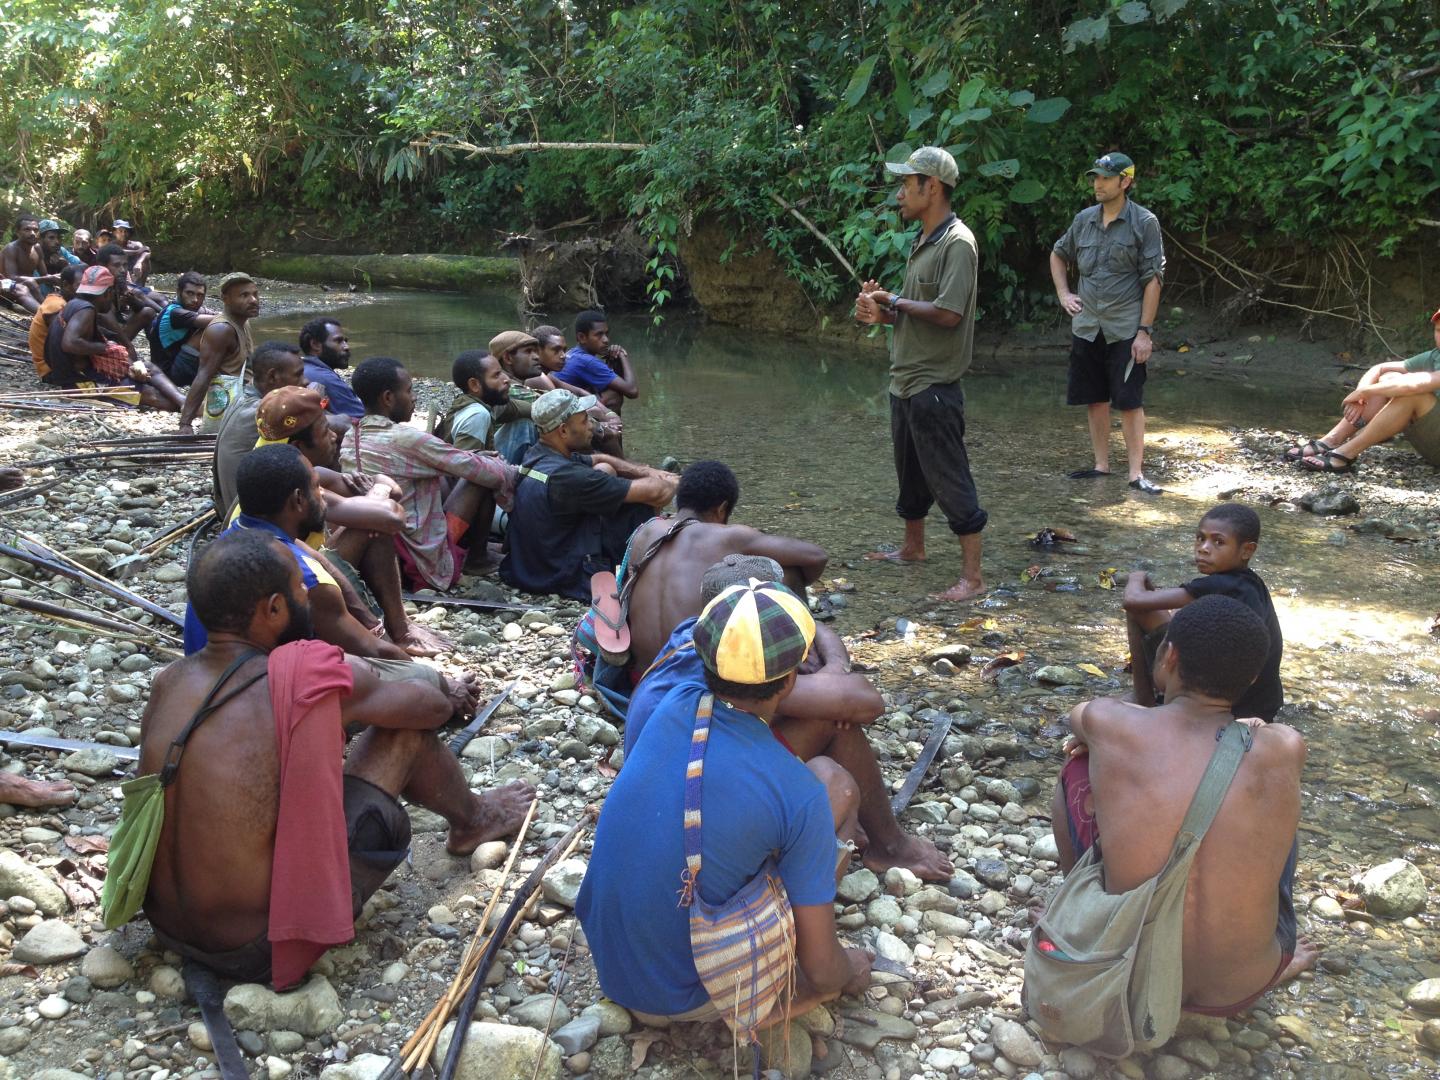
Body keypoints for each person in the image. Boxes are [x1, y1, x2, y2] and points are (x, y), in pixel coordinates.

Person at [141, 529, 533, 987]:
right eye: (297, 586)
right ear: (272, 609)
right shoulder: (306, 672)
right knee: (404, 736)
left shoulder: (169, 682)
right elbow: (432, 709)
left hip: (169, 929)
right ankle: (474, 818)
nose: (307, 593)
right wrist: (356, 688)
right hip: (257, 947)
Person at [578, 579, 872, 1025]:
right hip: (684, 1000)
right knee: (838, 785)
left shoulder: (673, 700)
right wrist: (847, 972)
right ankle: (774, 1002)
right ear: (791, 679)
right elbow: (824, 970)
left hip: (613, 971)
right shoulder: (798, 794)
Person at [1051, 595, 1314, 1014]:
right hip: (1241, 989)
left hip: (1128, 980)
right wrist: (1251, 725)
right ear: (1250, 680)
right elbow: (1262, 737)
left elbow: (1077, 716)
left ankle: (1076, 918)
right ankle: (1271, 958)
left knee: (1077, 768)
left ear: (1169, 657)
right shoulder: (1286, 746)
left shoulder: (1110, 722)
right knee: (1272, 795)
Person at [627, 551, 954, 881]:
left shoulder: (699, 635)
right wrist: (835, 675)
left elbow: (819, 635)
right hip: (692, 830)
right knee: (831, 729)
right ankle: (890, 847)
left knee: (818, 713)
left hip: (661, 803)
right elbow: (867, 703)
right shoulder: (739, 672)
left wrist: (829, 668)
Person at [855, 146, 988, 602]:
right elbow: (917, 315)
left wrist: (895, 302)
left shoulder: (958, 243)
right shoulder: (924, 240)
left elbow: (949, 313)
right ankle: (914, 549)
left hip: (934, 386)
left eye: (906, 186)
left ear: (931, 187)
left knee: (950, 477)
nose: (899, 195)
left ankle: (973, 578)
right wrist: (881, 314)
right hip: (905, 382)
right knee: (910, 474)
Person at [250, 386, 450, 658]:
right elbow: (391, 517)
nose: (334, 436)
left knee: (366, 522)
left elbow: (393, 489)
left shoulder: (275, 467)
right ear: (298, 446)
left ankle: (391, 627)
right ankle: (398, 631)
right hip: (292, 591)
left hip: (299, 572)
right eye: (324, 431)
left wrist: (376, 493)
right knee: (372, 527)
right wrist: (376, 494)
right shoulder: (295, 489)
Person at [184, 443, 412, 662]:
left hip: (207, 682)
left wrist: (369, 620)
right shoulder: (301, 576)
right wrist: (432, 681)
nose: (322, 495)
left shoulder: (231, 538)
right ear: (299, 499)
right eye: (316, 487)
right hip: (255, 690)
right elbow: (374, 653)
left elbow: (314, 557)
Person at [624, 461, 827, 672]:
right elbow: (816, 557)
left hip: (643, 678)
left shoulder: (645, 531)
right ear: (721, 508)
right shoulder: (729, 537)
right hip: (699, 681)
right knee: (790, 571)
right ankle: (802, 657)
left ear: (679, 502)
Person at [340, 357, 517, 590]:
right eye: (409, 390)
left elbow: (448, 458)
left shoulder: (351, 436)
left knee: (450, 472)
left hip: (378, 552)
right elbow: (484, 472)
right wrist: (510, 470)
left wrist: (471, 457)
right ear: (388, 398)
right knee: (480, 477)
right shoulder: (406, 439)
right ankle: (477, 558)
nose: (414, 398)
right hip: (415, 559)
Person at [1049, 151, 1166, 494]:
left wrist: (1144, 332)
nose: (1097, 184)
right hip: (1087, 324)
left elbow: (1153, 278)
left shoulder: (1144, 222)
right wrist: (1063, 294)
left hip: (1125, 326)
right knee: (1094, 397)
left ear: (1125, 181)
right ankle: (1101, 465)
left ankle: (1135, 473)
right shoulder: (1083, 219)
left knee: (1129, 399)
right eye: (1095, 177)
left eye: (1105, 177)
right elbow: (1059, 254)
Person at [502, 389, 675, 600]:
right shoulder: (570, 478)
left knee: (605, 469)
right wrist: (671, 481)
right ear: (563, 431)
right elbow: (660, 493)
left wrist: (648, 471)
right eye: (584, 421)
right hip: (562, 575)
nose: (591, 425)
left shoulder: (537, 455)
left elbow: (598, 458)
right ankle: (647, 569)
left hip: (531, 567)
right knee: (639, 506)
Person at [1122, 503, 1283, 722]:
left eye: (1218, 542)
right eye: (1200, 538)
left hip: (1236, 704)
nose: (1203, 548)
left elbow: (1133, 600)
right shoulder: (1250, 583)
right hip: (1261, 700)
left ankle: (1143, 697)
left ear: (1247, 550)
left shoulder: (1225, 584)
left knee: (1139, 609)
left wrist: (1135, 577)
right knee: (1158, 613)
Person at [1284, 307, 1440, 472]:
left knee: (1409, 394)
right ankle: (1331, 440)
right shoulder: (1435, 355)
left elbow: (1416, 384)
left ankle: (1344, 454)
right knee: (1390, 379)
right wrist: (1361, 393)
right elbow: (1380, 369)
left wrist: (1367, 392)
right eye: (1438, 330)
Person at [43, 266, 183, 409]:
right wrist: (105, 348)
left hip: (76, 374)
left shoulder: (75, 304)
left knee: (147, 367)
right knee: (149, 393)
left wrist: (127, 363)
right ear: (108, 292)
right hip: (79, 382)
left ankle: (182, 400)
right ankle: (188, 407)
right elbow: (70, 343)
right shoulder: (86, 310)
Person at [213, 342, 308, 511]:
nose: (305, 381)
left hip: (232, 506)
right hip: (249, 514)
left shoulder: (243, 398)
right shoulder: (264, 413)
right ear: (272, 377)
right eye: (298, 375)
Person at [179, 271, 259, 432]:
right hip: (234, 405)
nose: (253, 300)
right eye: (244, 295)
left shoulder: (244, 321)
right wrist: (185, 424)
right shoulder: (222, 329)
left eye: (255, 294)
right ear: (225, 299)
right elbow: (204, 374)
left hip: (246, 398)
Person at [436, 349, 524, 454]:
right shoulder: (477, 415)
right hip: (469, 469)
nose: (506, 379)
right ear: (474, 385)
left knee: (524, 424)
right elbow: (463, 466)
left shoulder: (481, 402)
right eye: (496, 375)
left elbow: (516, 408)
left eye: (502, 372)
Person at [556, 310, 639, 409]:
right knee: (614, 396)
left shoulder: (573, 353)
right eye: (599, 335)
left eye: (606, 334)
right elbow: (632, 391)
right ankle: (611, 424)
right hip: (562, 410)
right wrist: (622, 355)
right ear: (582, 337)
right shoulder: (587, 361)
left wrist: (614, 362)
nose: (606, 340)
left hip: (559, 405)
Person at [146, 271, 215, 383]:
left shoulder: (190, 309)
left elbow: (216, 315)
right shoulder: (175, 313)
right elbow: (222, 320)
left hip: (175, 366)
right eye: (190, 293)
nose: (195, 300)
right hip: (168, 374)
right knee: (213, 328)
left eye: (200, 295)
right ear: (179, 292)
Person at [299, 317, 364, 419]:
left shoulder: (303, 368)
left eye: (345, 341)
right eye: (339, 341)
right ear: (315, 344)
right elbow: (364, 420)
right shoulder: (325, 378)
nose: (346, 347)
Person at [28, 265, 81, 379]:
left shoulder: (67, 303)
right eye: (80, 285)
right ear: (66, 285)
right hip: (51, 369)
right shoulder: (56, 305)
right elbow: (66, 342)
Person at [1, 214, 43, 313]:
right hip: (4, 286)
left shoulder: (37, 248)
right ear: (17, 232)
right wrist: (47, 278)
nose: (32, 233)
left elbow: (44, 275)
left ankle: (51, 312)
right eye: (27, 229)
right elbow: (12, 278)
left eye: (35, 230)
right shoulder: (11, 249)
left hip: (25, 289)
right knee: (26, 284)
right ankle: (44, 314)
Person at [111, 219, 151, 284]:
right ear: (114, 232)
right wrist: (137, 252)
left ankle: (139, 286)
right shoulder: (110, 245)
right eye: (120, 231)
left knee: (145, 260)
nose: (123, 234)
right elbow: (117, 251)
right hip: (118, 276)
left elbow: (147, 251)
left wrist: (139, 262)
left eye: (125, 231)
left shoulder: (136, 245)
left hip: (135, 273)